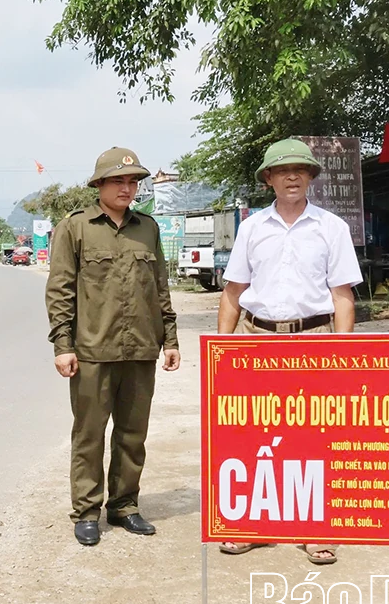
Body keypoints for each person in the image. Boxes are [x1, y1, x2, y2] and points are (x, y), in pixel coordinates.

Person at [217, 137, 363, 564]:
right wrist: (222, 352)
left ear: (311, 177)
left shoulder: (331, 228)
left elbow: (342, 296)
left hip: (314, 340)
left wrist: (343, 353)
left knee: (313, 436)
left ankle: (316, 528)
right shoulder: (251, 228)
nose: (292, 177)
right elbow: (233, 292)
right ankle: (253, 523)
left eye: (300, 170)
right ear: (269, 179)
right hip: (258, 338)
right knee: (253, 433)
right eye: (282, 171)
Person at [45, 147, 181, 547]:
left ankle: (124, 505)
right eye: (118, 181)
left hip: (141, 349)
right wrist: (63, 345)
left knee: (132, 434)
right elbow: (60, 290)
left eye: (133, 181)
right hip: (92, 351)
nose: (127, 188)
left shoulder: (147, 228)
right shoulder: (75, 227)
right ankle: (87, 511)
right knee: (89, 435)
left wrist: (170, 338)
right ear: (99, 185)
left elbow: (160, 286)